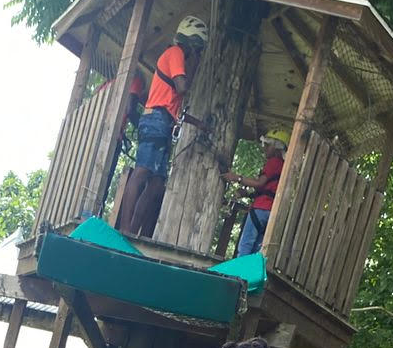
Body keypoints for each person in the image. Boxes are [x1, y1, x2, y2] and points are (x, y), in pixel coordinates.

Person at [119, 17, 210, 238]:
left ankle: (134, 232)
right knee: (142, 172)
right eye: (198, 48)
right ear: (192, 42)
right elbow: (182, 87)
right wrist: (195, 63)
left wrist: (199, 124)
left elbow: (176, 107)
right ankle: (124, 230)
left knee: (157, 184)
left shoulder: (176, 57)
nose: (197, 53)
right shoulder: (175, 53)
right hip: (155, 120)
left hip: (164, 122)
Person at [223, 130, 288, 257]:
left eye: (267, 145)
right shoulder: (283, 166)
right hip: (270, 212)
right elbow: (268, 190)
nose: (264, 148)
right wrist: (247, 194)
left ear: (276, 148)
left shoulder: (273, 162)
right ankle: (250, 270)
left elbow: (259, 183)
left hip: (260, 209)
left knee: (245, 246)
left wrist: (236, 177)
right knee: (256, 250)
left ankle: (240, 270)